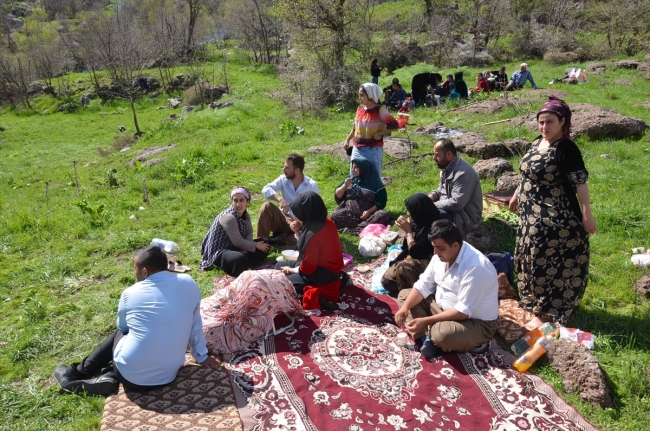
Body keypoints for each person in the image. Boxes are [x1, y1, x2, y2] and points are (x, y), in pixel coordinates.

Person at [52, 246, 220, 395]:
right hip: (169, 374)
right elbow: (195, 323)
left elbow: (123, 327)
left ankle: (74, 373)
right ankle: (108, 375)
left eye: (135, 269)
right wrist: (201, 355)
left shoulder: (130, 293)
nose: (134, 273)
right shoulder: (189, 283)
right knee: (142, 336)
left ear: (145, 271)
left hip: (131, 377)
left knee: (121, 334)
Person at [508, 96, 596, 330]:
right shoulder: (538, 142)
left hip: (553, 218)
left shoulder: (566, 148)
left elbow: (580, 183)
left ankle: (547, 311)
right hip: (529, 215)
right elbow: (527, 172)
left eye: (549, 122)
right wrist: (517, 193)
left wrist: (587, 215)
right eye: (541, 122)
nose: (544, 127)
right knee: (528, 256)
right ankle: (533, 301)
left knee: (544, 263)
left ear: (562, 121)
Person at [395, 220, 499, 359]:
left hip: (474, 322)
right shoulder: (441, 255)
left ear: (455, 245)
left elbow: (463, 311)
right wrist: (404, 308)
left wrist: (426, 321)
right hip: (443, 309)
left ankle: (441, 338)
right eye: (434, 247)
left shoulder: (475, 267)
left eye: (440, 248)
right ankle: (426, 339)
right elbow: (423, 285)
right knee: (405, 296)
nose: (435, 252)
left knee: (442, 335)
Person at [275, 192, 344, 311]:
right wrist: (298, 233)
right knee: (278, 266)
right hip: (319, 267)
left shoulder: (314, 234)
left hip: (323, 275)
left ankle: (318, 298)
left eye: (297, 213)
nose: (295, 217)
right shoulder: (325, 221)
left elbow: (308, 267)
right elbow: (310, 254)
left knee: (284, 284)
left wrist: (291, 270)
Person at [199, 185, 270, 276]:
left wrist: (247, 248)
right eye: (235, 200)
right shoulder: (229, 217)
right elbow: (237, 242)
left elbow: (249, 232)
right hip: (221, 250)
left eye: (241, 200)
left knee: (265, 243)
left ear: (247, 201)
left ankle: (244, 264)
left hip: (236, 246)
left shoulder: (245, 215)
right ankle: (243, 263)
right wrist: (254, 245)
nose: (238, 204)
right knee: (240, 258)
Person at [381, 193, 440, 294]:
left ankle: (413, 295)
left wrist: (408, 232)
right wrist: (410, 228)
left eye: (411, 211)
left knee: (403, 268)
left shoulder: (434, 227)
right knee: (387, 281)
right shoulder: (420, 221)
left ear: (420, 210)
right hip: (418, 257)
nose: (408, 213)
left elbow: (416, 253)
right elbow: (406, 246)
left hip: (432, 262)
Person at [257, 154, 319, 246]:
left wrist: (301, 221)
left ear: (297, 170)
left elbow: (315, 211)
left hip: (300, 223)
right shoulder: (283, 179)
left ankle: (278, 238)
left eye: (287, 168)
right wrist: (280, 199)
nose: (283, 170)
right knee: (266, 206)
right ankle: (261, 243)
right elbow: (266, 189)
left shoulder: (312, 186)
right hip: (283, 218)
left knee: (309, 238)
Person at [343, 83, 398, 179]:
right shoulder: (360, 108)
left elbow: (394, 125)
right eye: (359, 95)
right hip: (356, 149)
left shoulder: (380, 110)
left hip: (372, 150)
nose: (359, 97)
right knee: (354, 177)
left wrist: (380, 133)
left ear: (370, 95)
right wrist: (347, 140)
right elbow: (355, 128)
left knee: (373, 178)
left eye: (361, 95)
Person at [428, 139, 483, 234]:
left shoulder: (463, 173)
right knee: (417, 199)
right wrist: (430, 197)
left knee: (427, 215)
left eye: (437, 154)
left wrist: (431, 205)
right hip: (450, 208)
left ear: (448, 155)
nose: (434, 157)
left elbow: (457, 204)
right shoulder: (446, 167)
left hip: (465, 217)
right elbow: (442, 189)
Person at [331, 156, 392, 235]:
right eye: (352, 167)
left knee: (383, 215)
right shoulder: (350, 179)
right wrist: (345, 185)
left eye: (356, 167)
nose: (353, 170)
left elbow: (381, 201)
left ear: (364, 168)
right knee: (335, 215)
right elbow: (338, 196)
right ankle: (363, 229)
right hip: (349, 214)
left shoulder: (375, 183)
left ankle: (355, 229)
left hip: (368, 216)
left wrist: (369, 212)